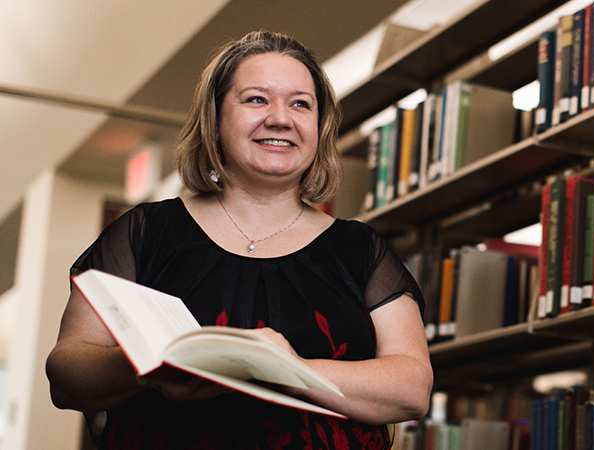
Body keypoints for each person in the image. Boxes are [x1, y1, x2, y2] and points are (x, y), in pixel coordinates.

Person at [46, 30, 433, 449]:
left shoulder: (361, 250)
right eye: (256, 99)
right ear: (215, 120)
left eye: (300, 104)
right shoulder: (145, 231)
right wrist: (145, 368)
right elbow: (65, 375)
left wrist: (292, 370)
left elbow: (412, 389)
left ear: (319, 129)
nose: (280, 118)